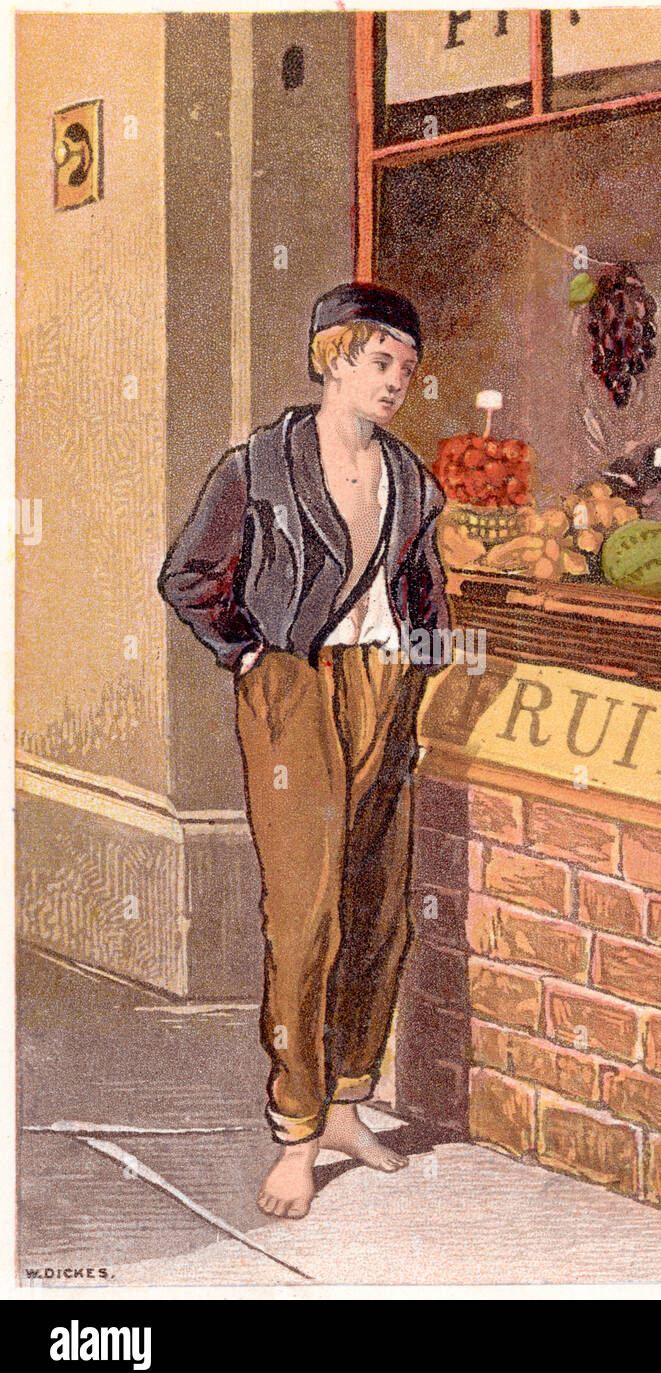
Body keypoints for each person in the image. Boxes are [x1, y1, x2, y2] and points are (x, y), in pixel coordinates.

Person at [158, 283, 450, 1218]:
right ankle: (294, 1128)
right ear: (334, 358)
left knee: (377, 908)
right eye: (380, 363)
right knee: (305, 916)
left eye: (407, 367)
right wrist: (249, 655)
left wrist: (424, 663)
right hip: (292, 686)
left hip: (385, 686)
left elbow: (426, 590)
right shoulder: (260, 466)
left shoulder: (409, 478)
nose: (397, 381)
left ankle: (348, 1105)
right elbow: (190, 574)